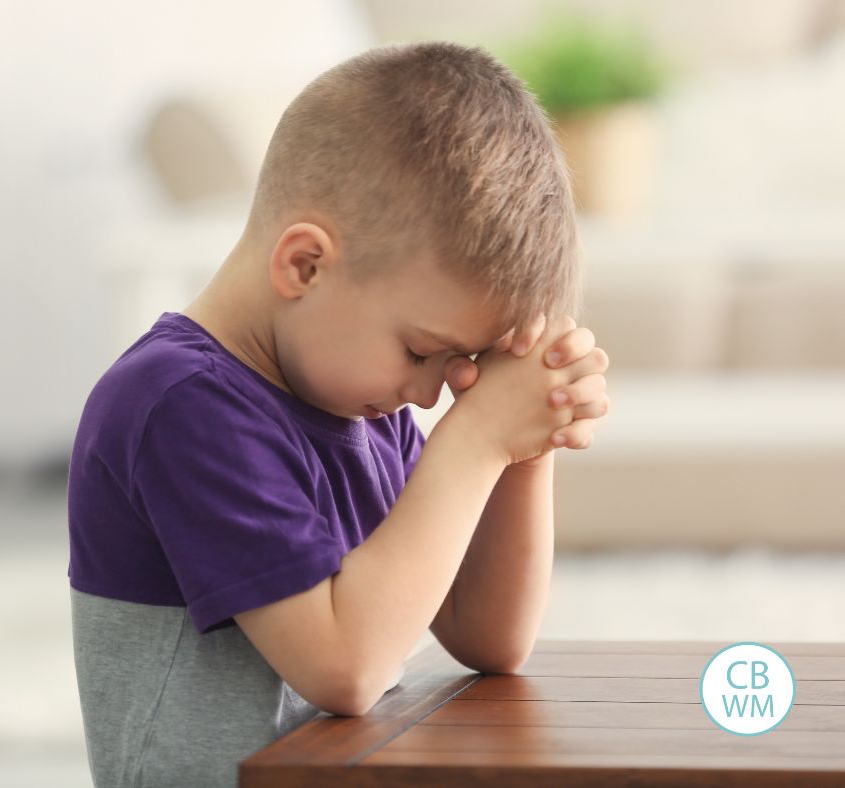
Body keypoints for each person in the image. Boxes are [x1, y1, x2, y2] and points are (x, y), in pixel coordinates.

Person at [68, 41, 610, 788]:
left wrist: (524, 438)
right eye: (423, 351)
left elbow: (489, 637)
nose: (429, 394)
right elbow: (346, 666)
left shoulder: (356, 397)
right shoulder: (180, 404)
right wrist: (478, 437)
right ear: (305, 265)